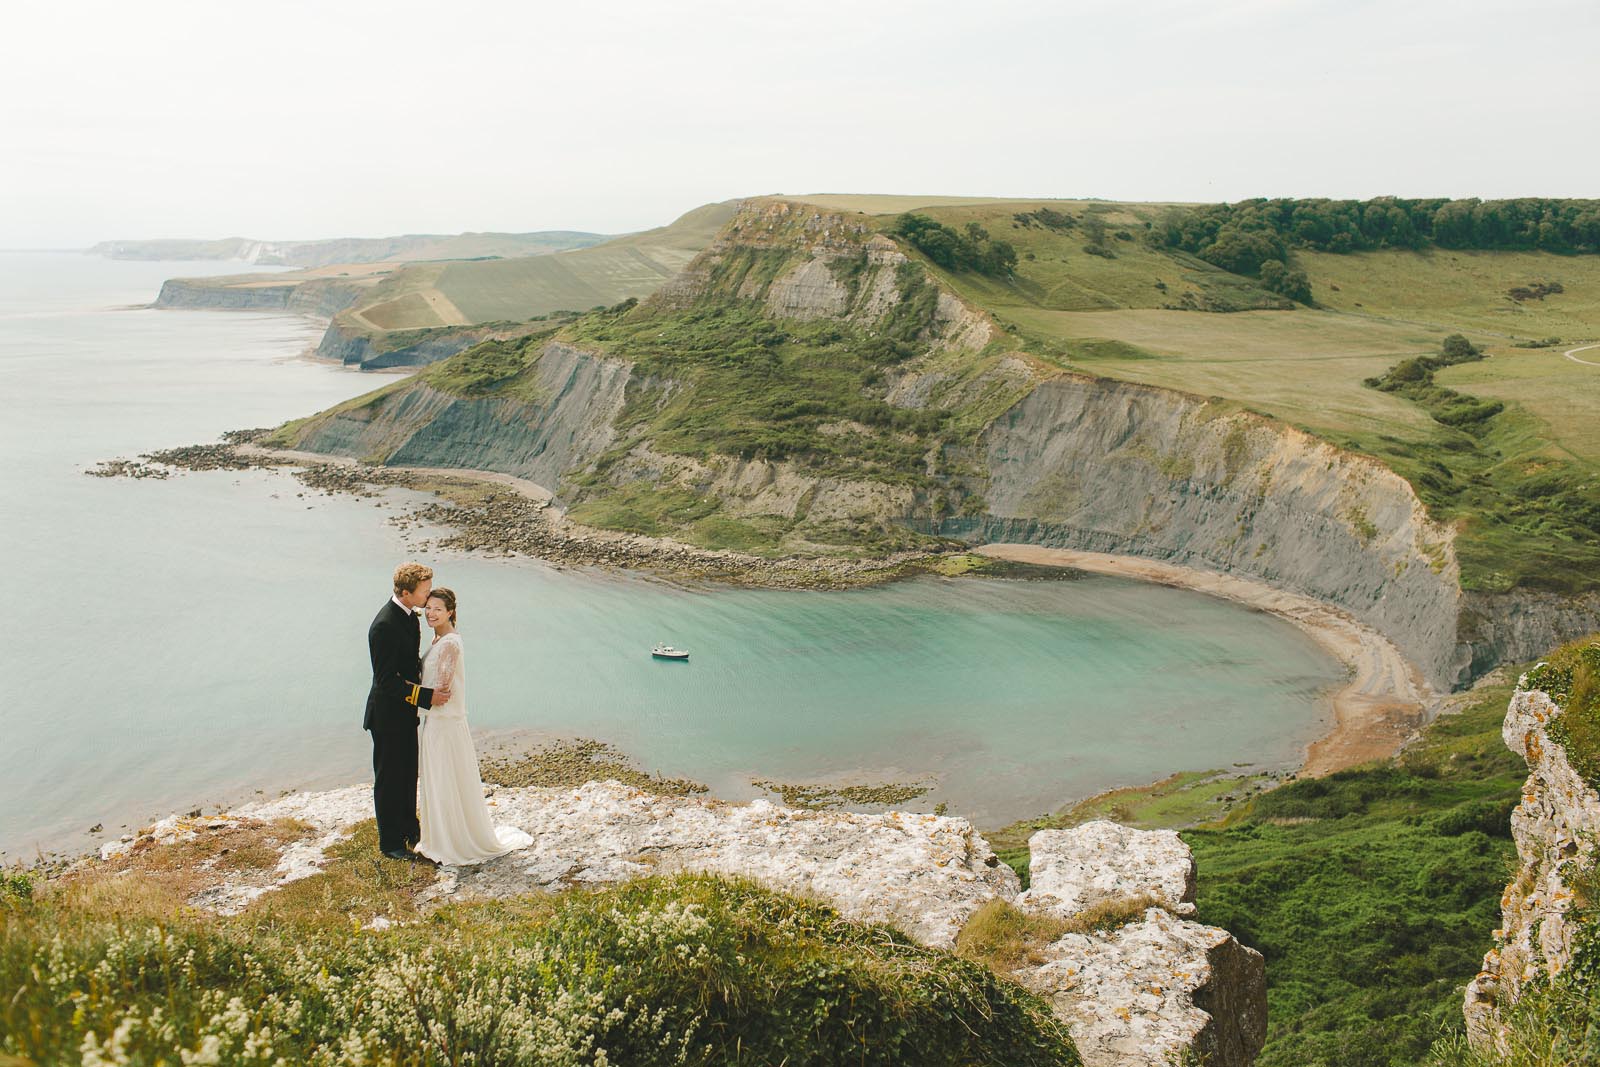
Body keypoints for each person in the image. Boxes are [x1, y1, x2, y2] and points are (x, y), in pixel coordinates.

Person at [414, 587, 532, 865]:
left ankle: (451, 842)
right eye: (428, 608)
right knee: (441, 781)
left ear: (451, 612)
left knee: (446, 781)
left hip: (445, 725)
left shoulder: (450, 643)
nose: (431, 613)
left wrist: (408, 695)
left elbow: (442, 690)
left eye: (438, 609)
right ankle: (439, 837)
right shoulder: (439, 639)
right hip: (438, 724)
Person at [364, 562, 448, 861]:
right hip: (386, 716)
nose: (428, 597)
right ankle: (390, 843)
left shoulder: (410, 618)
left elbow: (411, 664)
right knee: (389, 779)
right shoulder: (384, 626)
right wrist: (426, 697)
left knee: (408, 773)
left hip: (404, 713)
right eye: (424, 592)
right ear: (405, 592)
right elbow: (387, 681)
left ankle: (409, 828)